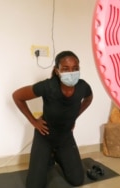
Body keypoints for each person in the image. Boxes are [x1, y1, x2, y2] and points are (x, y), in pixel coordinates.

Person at [12, 51, 93, 188]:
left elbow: (89, 98)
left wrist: (74, 117)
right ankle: (48, 155)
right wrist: (33, 121)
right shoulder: (47, 86)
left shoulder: (83, 87)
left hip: (65, 137)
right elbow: (17, 96)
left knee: (77, 180)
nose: (71, 72)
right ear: (57, 71)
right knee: (34, 186)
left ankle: (57, 155)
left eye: (75, 68)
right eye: (66, 69)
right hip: (45, 136)